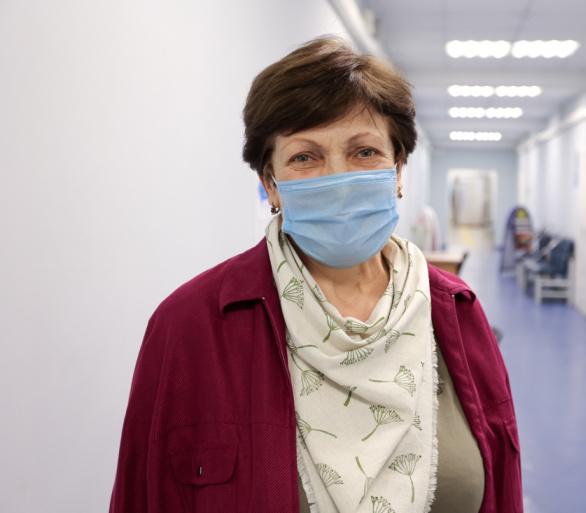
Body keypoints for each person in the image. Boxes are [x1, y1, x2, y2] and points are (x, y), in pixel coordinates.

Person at [108, 35, 522, 513]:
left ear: (398, 170)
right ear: (270, 184)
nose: (338, 180)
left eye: (364, 152)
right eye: (305, 157)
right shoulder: (188, 326)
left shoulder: (456, 313)